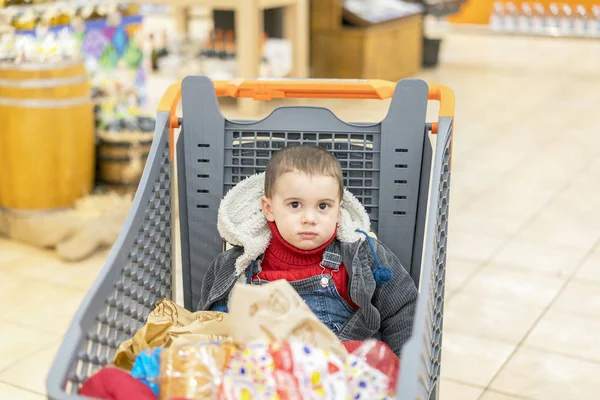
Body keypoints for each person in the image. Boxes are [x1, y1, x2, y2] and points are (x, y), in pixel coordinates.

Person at [197, 144, 418, 356]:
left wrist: (402, 373)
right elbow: (214, 323)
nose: (310, 219)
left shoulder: (362, 257)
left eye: (323, 206)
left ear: (338, 209)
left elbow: (403, 312)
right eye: (295, 205)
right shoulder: (238, 265)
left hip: (339, 376)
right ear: (269, 208)